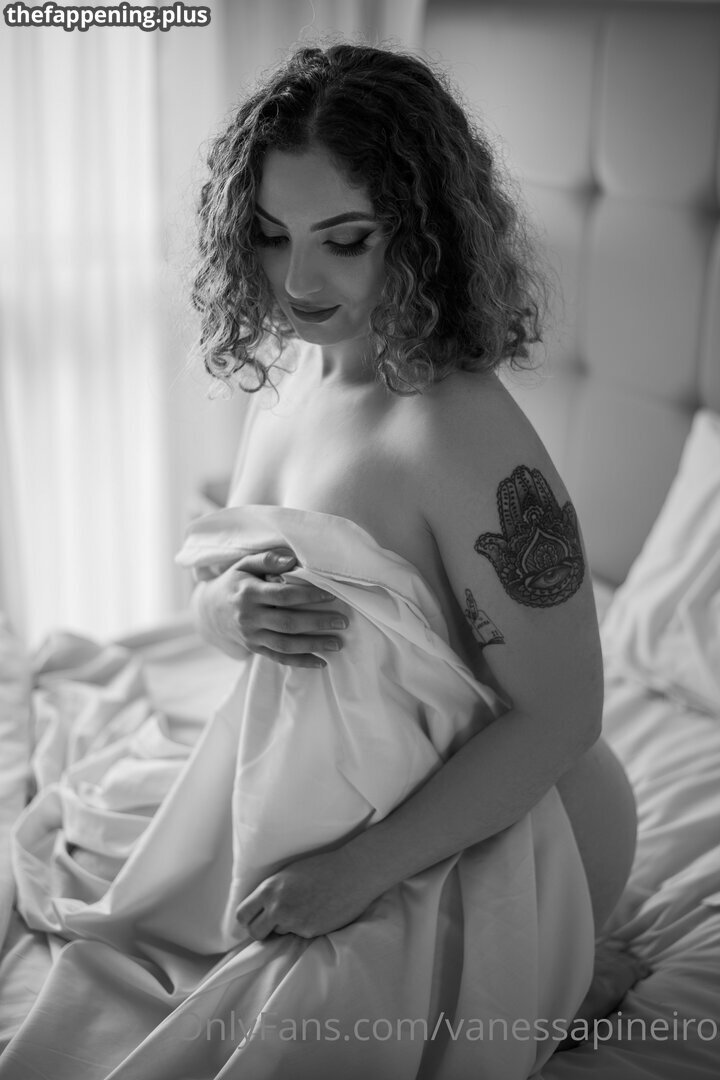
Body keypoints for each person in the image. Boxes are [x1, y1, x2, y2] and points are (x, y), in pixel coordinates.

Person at [190, 42, 637, 951]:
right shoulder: (294, 373)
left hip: (520, 840)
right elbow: (233, 590)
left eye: (345, 239)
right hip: (352, 806)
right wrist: (225, 612)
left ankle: (575, 971)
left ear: (424, 228)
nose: (298, 282)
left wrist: (356, 871)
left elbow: (563, 716)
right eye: (272, 235)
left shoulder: (457, 432)